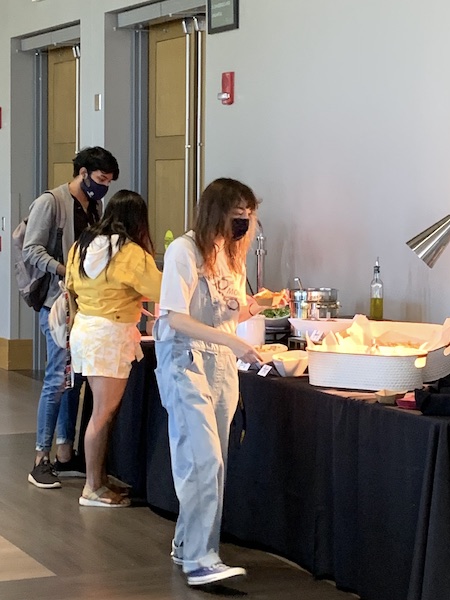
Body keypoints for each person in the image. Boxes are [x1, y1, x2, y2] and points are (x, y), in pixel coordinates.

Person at [153, 178, 285, 586]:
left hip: (223, 368)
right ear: (217, 213)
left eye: (249, 219)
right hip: (186, 362)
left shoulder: (229, 256)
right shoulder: (184, 252)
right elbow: (176, 317)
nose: (243, 227)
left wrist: (260, 303)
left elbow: (231, 311)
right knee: (201, 459)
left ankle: (187, 544)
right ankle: (199, 557)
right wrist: (231, 339)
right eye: (237, 218)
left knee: (216, 462)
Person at [23, 146, 120, 489]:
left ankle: (65, 453)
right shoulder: (51, 202)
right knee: (56, 378)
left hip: (84, 303)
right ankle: (41, 458)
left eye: (108, 181)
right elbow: (31, 250)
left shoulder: (96, 206)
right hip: (57, 303)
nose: (103, 186)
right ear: (82, 173)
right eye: (100, 179)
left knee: (73, 380)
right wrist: (66, 269)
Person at [66, 190, 162, 507]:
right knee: (102, 414)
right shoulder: (130, 251)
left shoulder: (82, 244)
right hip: (110, 334)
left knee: (99, 410)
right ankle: (92, 488)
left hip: (85, 329)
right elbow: (157, 288)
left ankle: (99, 480)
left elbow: (70, 287)